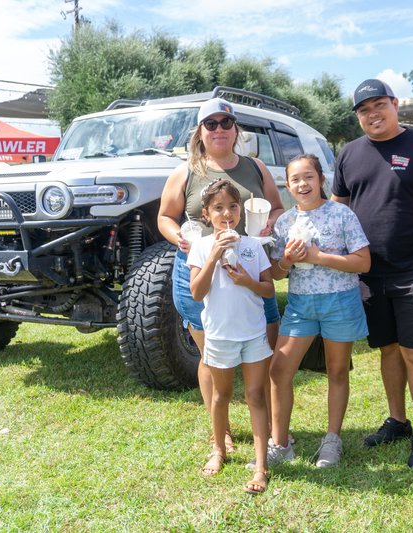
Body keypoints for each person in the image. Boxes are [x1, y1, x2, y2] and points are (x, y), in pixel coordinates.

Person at [332, 79, 413, 469]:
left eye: (378, 105)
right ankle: (398, 421)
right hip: (368, 272)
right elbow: (338, 211)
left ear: (395, 104)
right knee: (387, 349)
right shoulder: (349, 154)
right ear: (358, 117)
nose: (372, 114)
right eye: (363, 110)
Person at [157, 97, 285, 454]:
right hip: (200, 271)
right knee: (211, 357)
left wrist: (270, 222)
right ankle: (222, 432)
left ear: (235, 129)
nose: (218, 130)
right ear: (200, 131)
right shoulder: (185, 172)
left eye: (225, 123)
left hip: (251, 267)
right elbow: (165, 217)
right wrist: (177, 236)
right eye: (210, 124)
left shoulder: (255, 167)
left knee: (265, 350)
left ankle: (273, 428)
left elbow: (276, 207)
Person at [265, 154, 370, 469]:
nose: (302, 184)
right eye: (295, 179)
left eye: (308, 177)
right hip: (301, 305)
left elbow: (363, 262)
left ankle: (332, 441)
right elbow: (277, 274)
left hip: (340, 300)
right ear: (288, 185)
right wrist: (285, 260)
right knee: (279, 371)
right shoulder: (284, 222)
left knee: (337, 372)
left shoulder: (341, 214)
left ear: (320, 179)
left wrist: (317, 255)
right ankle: (280, 444)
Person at [187, 178, 274, 494]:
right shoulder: (200, 246)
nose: (227, 213)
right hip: (220, 335)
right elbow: (197, 294)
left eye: (233, 207)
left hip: (252, 333)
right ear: (207, 215)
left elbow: (269, 289)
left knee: (255, 395)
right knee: (221, 395)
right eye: (219, 208)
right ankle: (219, 449)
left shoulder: (252, 246)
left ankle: (261, 465)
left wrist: (247, 281)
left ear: (241, 210)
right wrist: (213, 255)